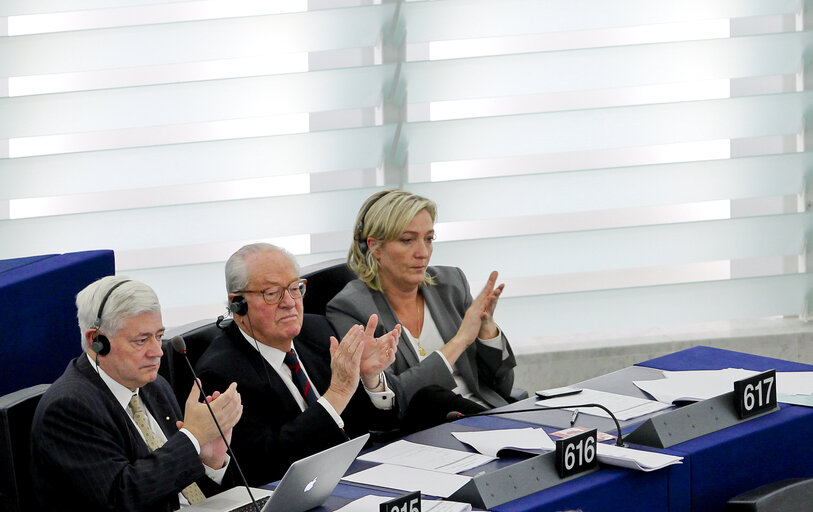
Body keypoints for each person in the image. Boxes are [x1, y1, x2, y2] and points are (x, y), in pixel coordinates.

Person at [195, 243, 403, 486]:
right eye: (272, 293)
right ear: (238, 304)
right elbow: (265, 465)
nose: (290, 302)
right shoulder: (221, 373)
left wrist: (370, 379)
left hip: (355, 477)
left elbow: (378, 428)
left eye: (295, 288)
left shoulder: (318, 331)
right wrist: (337, 393)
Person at [31, 276, 243, 512]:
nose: (157, 352)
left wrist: (210, 461)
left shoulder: (154, 386)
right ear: (97, 341)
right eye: (141, 340)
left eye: (159, 336)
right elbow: (121, 498)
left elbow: (178, 485)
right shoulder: (70, 407)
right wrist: (192, 438)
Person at [327, 189, 517, 419]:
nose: (423, 252)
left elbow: (502, 387)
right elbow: (395, 399)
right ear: (375, 247)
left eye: (428, 239)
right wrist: (460, 341)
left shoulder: (451, 283)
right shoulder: (352, 307)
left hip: (485, 415)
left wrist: (488, 332)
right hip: (424, 430)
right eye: (408, 240)